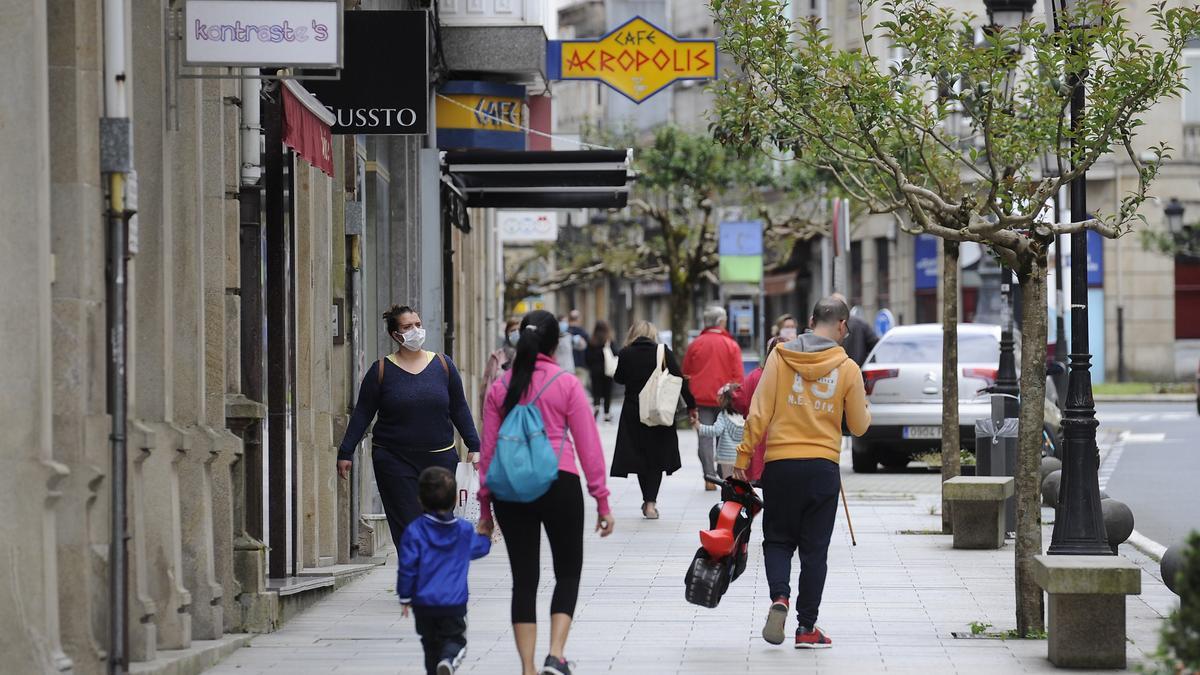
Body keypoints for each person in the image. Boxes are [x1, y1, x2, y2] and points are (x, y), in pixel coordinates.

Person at [477, 310, 615, 675]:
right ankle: (556, 654)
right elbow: (588, 445)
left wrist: (485, 511)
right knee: (567, 572)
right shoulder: (565, 383)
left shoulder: (499, 387)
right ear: (555, 344)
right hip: (560, 483)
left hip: (509, 490)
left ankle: (527, 668)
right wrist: (602, 500)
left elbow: (487, 451)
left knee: (524, 578)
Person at [733, 297, 871, 650]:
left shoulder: (779, 358)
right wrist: (861, 407)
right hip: (822, 468)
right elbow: (858, 427)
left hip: (780, 465)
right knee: (815, 551)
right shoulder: (849, 368)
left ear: (811, 321)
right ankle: (807, 627)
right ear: (842, 326)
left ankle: (780, 597)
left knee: (778, 540)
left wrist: (742, 461)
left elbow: (758, 413)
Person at [336, 305, 480, 549]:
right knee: (407, 526)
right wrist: (345, 451)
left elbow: (459, 408)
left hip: (440, 459)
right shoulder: (381, 370)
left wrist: (475, 445)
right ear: (395, 335)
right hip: (393, 460)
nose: (415, 330)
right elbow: (363, 413)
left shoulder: (443, 366)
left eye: (417, 324)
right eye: (407, 327)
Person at [397, 466, 491, 675]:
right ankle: (448, 661)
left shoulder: (414, 531)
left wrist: (404, 596)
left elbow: (407, 567)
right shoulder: (464, 530)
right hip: (453, 603)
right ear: (455, 499)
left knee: (430, 646)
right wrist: (485, 534)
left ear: (420, 500)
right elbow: (480, 549)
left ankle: (437, 668)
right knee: (457, 641)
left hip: (423, 604)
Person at [610, 320, 697, 519]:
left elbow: (619, 378)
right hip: (658, 411)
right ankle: (650, 504)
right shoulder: (662, 351)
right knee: (655, 459)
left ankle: (647, 500)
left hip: (633, 413)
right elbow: (679, 378)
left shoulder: (625, 353)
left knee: (641, 458)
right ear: (652, 333)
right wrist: (691, 405)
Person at [682, 305, 744, 490]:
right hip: (725, 400)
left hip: (700, 398)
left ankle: (709, 477)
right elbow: (738, 376)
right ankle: (723, 473)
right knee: (725, 437)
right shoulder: (731, 345)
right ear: (721, 322)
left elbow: (686, 372)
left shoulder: (695, 344)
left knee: (705, 436)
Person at [732, 336, 787, 483]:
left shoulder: (755, 376)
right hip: (786, 444)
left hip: (758, 440)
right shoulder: (794, 380)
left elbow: (741, 401)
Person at [695, 383, 744, 479]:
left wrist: (699, 427)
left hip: (725, 457)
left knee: (728, 481)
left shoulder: (723, 415)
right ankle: (740, 494)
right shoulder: (745, 416)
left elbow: (716, 430)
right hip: (741, 455)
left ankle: (728, 494)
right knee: (740, 481)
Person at [481, 317, 521, 409]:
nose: (516, 333)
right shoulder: (497, 357)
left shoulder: (529, 356)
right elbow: (487, 387)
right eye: (513, 330)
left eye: (519, 330)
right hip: (499, 410)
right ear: (507, 334)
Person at [831, 293, 879, 366]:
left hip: (839, 370)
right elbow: (876, 345)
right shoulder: (860, 323)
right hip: (858, 370)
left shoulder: (830, 326)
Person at [583, 320, 615, 422]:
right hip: (607, 370)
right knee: (607, 392)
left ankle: (596, 406)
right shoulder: (609, 340)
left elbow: (587, 357)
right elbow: (615, 353)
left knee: (596, 390)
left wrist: (591, 366)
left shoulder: (591, 341)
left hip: (595, 370)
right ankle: (606, 413)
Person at [566, 309, 590, 387]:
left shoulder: (564, 332)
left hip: (567, 366)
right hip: (581, 365)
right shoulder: (583, 332)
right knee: (580, 388)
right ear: (579, 319)